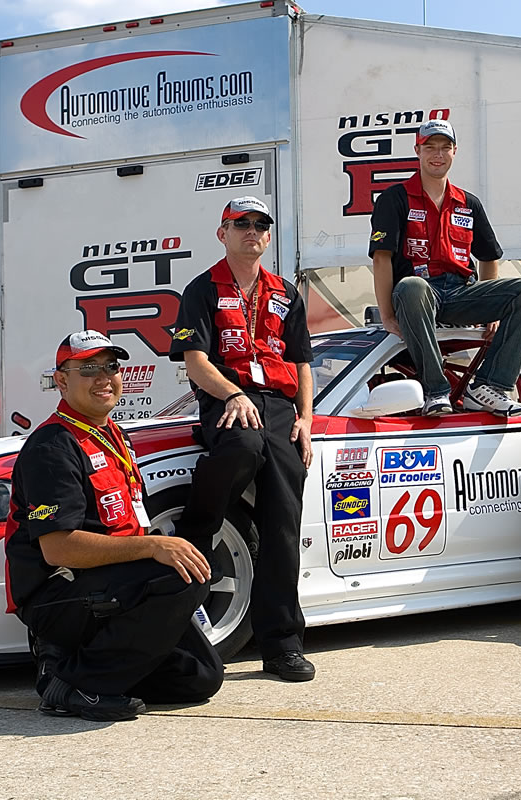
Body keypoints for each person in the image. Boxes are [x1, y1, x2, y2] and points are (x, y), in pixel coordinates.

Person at [4, 329, 224, 722]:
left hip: (110, 585)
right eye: (88, 369)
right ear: (61, 380)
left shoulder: (113, 435)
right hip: (58, 593)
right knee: (182, 577)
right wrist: (153, 548)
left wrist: (153, 546)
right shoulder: (52, 447)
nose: (104, 377)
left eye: (110, 366)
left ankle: (73, 665)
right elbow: (58, 549)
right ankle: (74, 685)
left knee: (200, 679)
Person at [168, 196, 317, 682]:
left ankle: (282, 646)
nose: (251, 231)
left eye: (260, 224)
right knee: (244, 446)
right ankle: (199, 524)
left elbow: (301, 365)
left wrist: (306, 419)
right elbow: (195, 362)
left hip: (279, 410)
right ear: (222, 233)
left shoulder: (286, 293)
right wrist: (233, 394)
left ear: (268, 236)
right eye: (240, 224)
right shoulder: (201, 289)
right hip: (225, 400)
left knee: (282, 527)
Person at [369, 118, 521, 417]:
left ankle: (488, 387)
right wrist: (386, 314)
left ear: (454, 152)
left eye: (445, 148)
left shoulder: (468, 203)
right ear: (418, 151)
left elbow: (490, 257)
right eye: (430, 148)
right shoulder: (394, 198)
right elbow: (381, 258)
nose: (438, 154)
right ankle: (436, 392)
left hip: (462, 293)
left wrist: (492, 314)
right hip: (419, 295)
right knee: (412, 286)